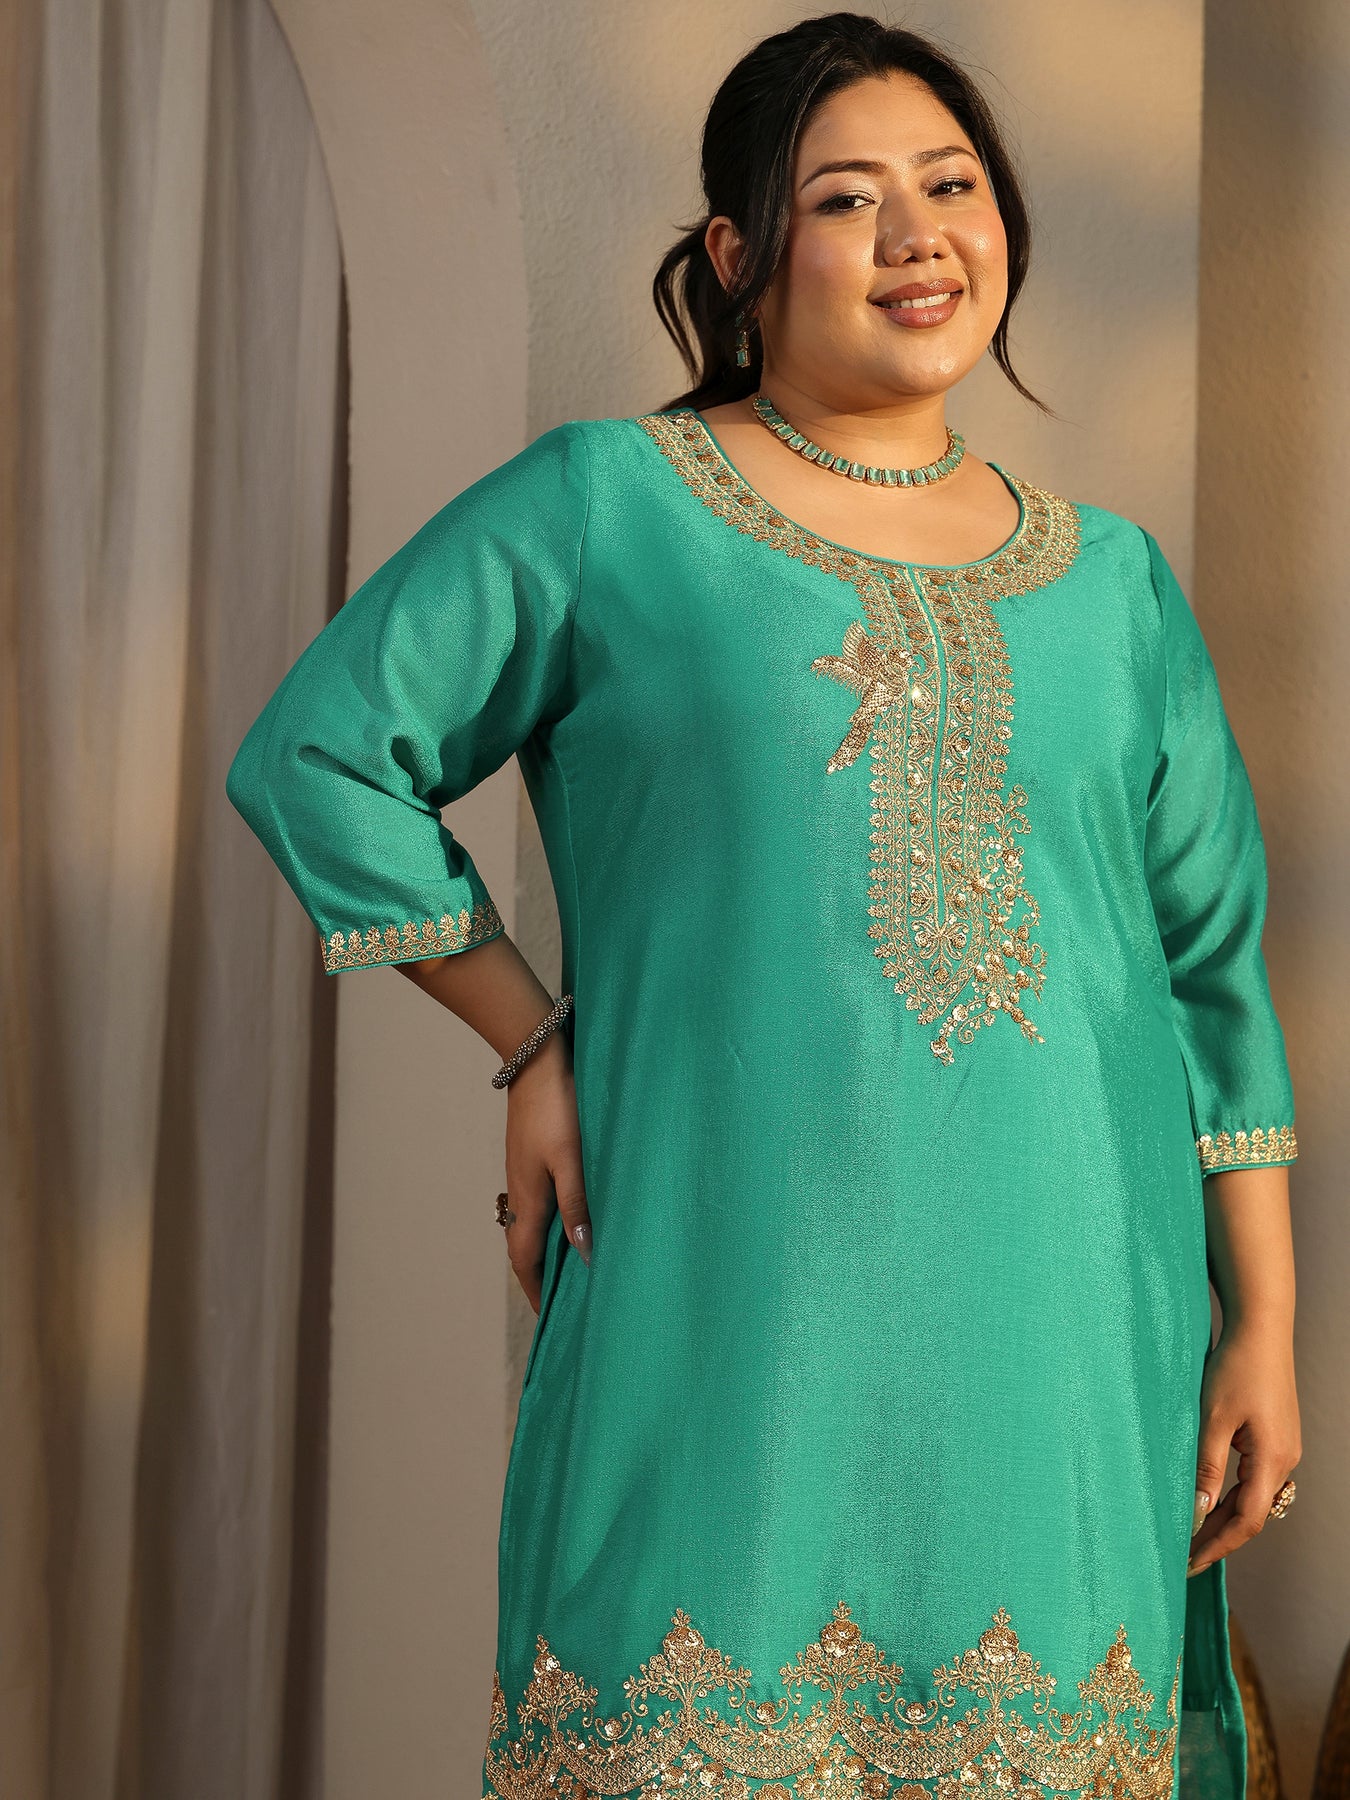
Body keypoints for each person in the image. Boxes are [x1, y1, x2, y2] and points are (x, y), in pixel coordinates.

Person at [225, 15, 1300, 1799]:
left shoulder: (1110, 583)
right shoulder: (609, 508)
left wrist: (1260, 1321)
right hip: (727, 1294)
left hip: (1066, 1324)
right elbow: (321, 754)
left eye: (951, 185)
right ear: (737, 255)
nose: (917, 235)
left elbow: (1204, 970)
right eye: (848, 197)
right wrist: (531, 1039)